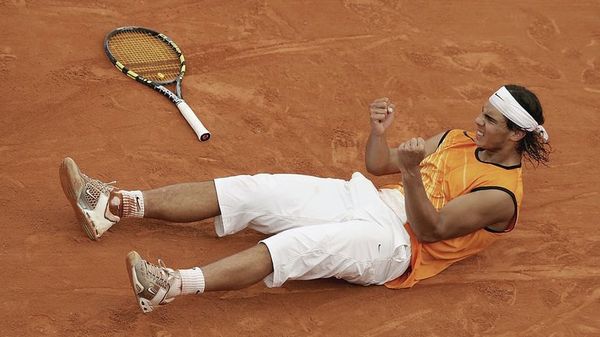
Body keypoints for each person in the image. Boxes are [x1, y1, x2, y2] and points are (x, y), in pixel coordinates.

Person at [59, 84, 550, 313]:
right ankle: (112, 207)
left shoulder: (502, 196)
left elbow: (431, 229)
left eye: (490, 119)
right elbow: (380, 164)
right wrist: (379, 133)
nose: (478, 121)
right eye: (483, 113)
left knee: (292, 248)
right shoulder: (461, 138)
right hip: (370, 199)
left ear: (514, 137)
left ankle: (168, 286)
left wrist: (410, 174)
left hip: (396, 247)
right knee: (255, 190)